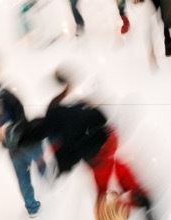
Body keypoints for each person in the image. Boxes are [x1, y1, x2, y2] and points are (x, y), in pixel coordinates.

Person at [18, 72, 151, 210]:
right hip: (105, 139)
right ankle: (134, 196)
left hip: (96, 151)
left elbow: (49, 139)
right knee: (113, 167)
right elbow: (98, 117)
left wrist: (22, 141)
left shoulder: (55, 122)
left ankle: (118, 206)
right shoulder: (72, 111)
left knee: (103, 183)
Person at [0, 59, 46, 218]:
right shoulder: (5, 94)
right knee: (38, 156)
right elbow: (21, 112)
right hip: (24, 138)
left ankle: (32, 207)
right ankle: (44, 173)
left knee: (22, 176)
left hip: (10, 145)